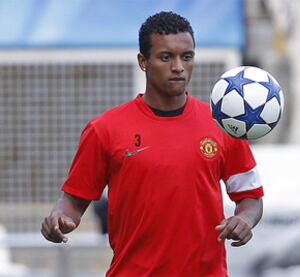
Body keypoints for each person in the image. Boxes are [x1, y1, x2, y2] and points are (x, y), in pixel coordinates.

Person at [41, 11, 264, 277]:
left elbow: (251, 197)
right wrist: (59, 218)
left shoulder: (222, 125)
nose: (178, 66)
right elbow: (72, 203)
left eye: (187, 56)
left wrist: (245, 219)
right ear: (143, 61)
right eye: (166, 57)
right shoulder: (105, 129)